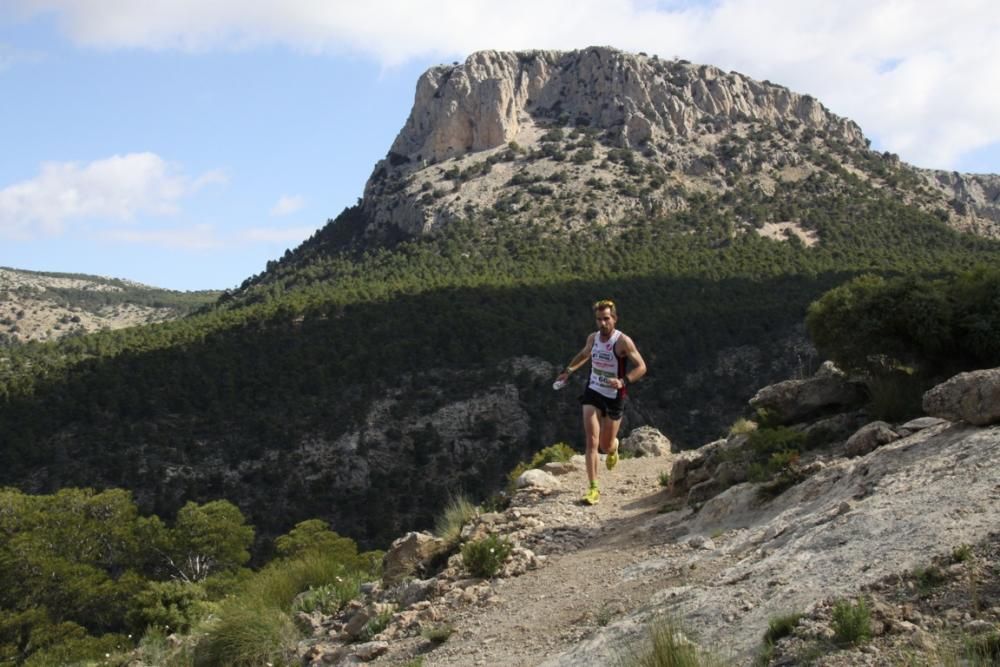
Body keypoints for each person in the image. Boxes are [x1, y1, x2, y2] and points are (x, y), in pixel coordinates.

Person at [554, 299, 647, 505]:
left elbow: (641, 366)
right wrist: (568, 371)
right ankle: (593, 488)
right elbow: (584, 354)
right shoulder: (593, 338)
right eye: (599, 320)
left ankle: (614, 447)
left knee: (605, 445)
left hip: (614, 397)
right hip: (593, 391)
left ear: (614, 318)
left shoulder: (623, 341)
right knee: (592, 441)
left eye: (606, 319)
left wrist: (623, 381)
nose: (602, 323)